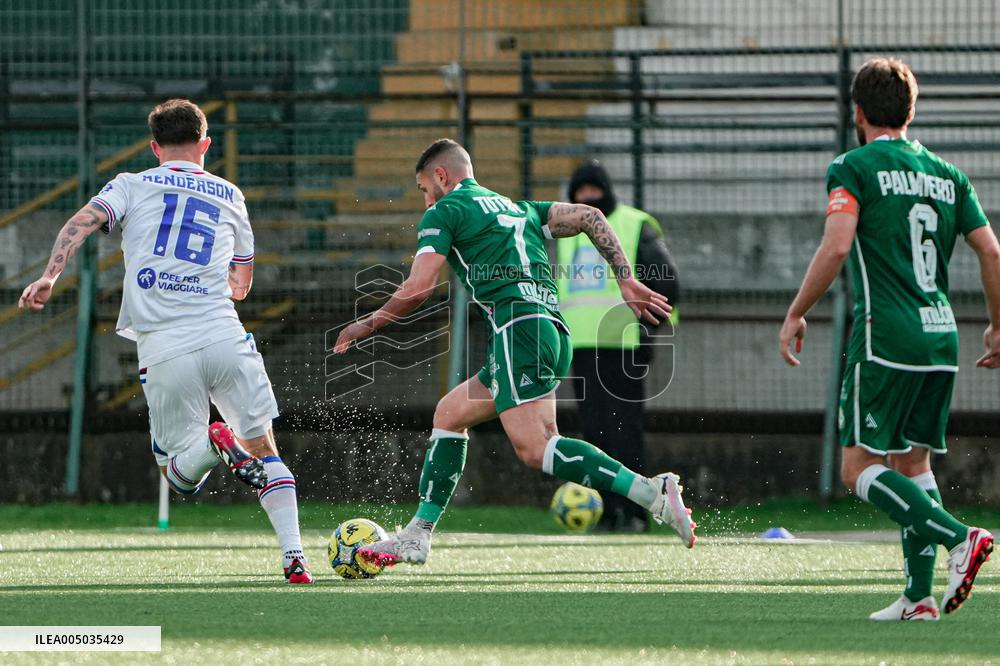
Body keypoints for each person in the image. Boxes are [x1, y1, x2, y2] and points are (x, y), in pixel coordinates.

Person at [332, 138, 696, 566]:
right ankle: (418, 533)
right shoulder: (518, 208)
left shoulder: (444, 211)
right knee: (450, 415)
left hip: (516, 330)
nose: (424, 199)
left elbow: (419, 287)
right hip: (549, 332)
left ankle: (652, 494)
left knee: (537, 448)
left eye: (423, 188)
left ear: (441, 177)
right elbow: (590, 217)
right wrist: (625, 278)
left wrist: (368, 322)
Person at [18, 99, 312, 584]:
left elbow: (80, 223)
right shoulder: (230, 194)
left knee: (177, 475)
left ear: (155, 147)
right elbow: (243, 281)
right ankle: (295, 557)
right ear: (206, 144)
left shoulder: (132, 184)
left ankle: (215, 445)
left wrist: (50, 276)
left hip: (165, 346)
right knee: (265, 449)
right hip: (224, 335)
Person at [779, 57, 995, 620]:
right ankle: (919, 597)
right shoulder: (949, 175)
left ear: (857, 112)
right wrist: (998, 324)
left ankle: (958, 538)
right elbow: (992, 251)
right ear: (910, 109)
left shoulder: (854, 166)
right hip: (940, 338)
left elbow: (836, 246)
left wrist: (797, 311)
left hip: (886, 338)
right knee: (913, 466)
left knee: (858, 469)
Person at [558, 160, 679, 532]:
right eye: (581, 192)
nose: (588, 198)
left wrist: (648, 331)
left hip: (624, 346)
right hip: (583, 347)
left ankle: (636, 513)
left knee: (625, 434)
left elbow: (668, 283)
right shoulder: (569, 231)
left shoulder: (634, 223)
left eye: (594, 190)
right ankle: (607, 513)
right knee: (594, 435)